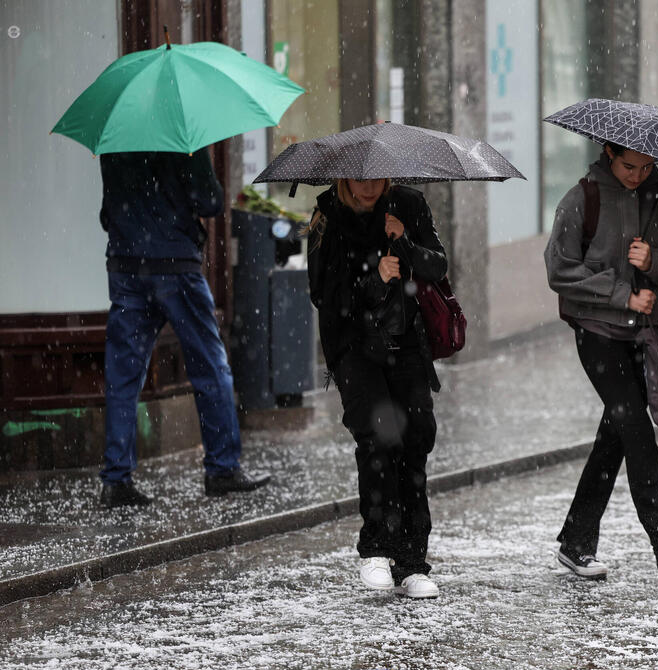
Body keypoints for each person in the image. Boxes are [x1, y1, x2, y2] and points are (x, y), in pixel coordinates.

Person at [544, 141, 658, 592]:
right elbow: (559, 270)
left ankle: (575, 540)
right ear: (608, 153)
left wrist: (654, 263)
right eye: (628, 165)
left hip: (648, 335)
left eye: (646, 166)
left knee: (614, 436)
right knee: (635, 429)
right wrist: (623, 294)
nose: (636, 175)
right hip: (598, 334)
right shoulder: (584, 198)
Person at [98, 149, 271, 508]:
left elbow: (106, 213)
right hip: (175, 265)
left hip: (127, 265)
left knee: (123, 378)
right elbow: (210, 201)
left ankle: (116, 479)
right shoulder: (183, 138)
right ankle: (222, 469)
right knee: (210, 366)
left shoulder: (116, 141)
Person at [307, 177, 447, 600]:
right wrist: (374, 274)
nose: (369, 189)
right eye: (360, 181)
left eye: (378, 181)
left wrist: (404, 244)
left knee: (416, 438)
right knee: (377, 435)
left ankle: (412, 561)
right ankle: (375, 547)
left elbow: (438, 266)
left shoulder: (408, 204)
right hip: (355, 346)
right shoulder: (326, 216)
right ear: (345, 178)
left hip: (406, 345)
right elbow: (322, 296)